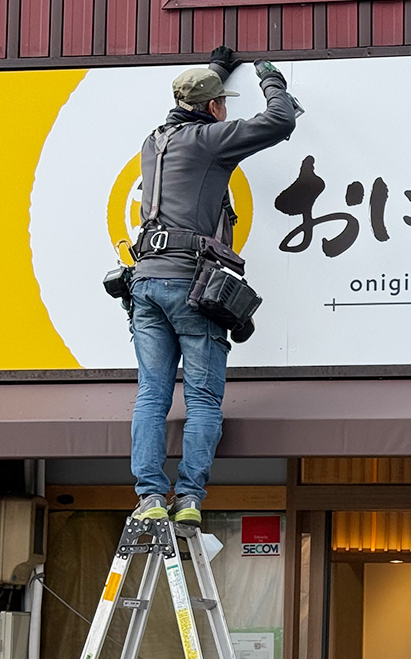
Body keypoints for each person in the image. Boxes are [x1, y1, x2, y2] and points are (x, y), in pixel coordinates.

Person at [128, 46, 298, 525]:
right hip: (189, 284)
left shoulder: (155, 139)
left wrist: (214, 72)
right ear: (212, 109)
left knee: (151, 396)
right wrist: (270, 78)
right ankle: (188, 499)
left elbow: (183, 105)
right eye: (221, 100)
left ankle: (149, 497)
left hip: (145, 282)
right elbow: (279, 122)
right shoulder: (207, 140)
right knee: (202, 399)